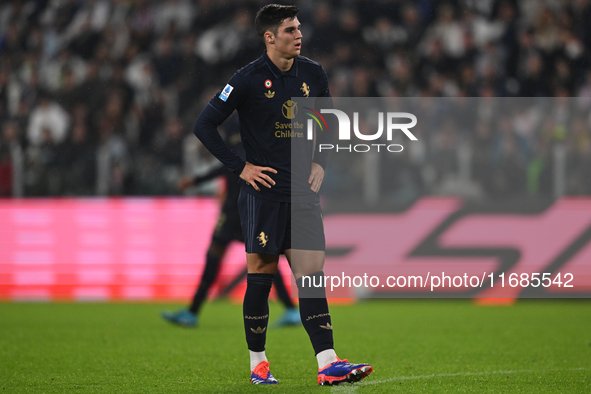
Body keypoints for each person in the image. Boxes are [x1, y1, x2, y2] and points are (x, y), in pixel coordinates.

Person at [193, 4, 372, 386]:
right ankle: (258, 362)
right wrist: (240, 168)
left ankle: (328, 362)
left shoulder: (313, 73)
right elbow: (204, 125)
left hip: (303, 195)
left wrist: (321, 161)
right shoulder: (246, 79)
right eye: (290, 29)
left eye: (299, 27)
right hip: (263, 195)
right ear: (269, 37)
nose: (299, 35)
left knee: (310, 275)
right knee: (261, 275)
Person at [161, 127, 301, 328]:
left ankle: (192, 312)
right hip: (247, 211)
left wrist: (195, 181)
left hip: (237, 212)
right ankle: (290, 309)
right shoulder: (257, 144)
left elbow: (227, 166)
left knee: (222, 258)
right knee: (262, 260)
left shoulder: (240, 140)